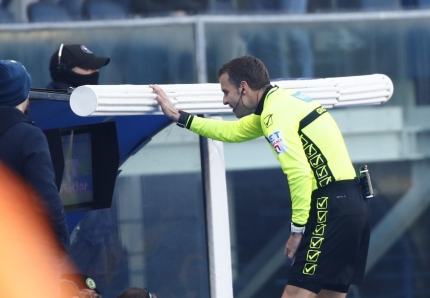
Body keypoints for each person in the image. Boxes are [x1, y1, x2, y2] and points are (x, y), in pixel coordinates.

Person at [151, 55, 370, 298]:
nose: (224, 101)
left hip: (331, 205)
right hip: (355, 203)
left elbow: (298, 172)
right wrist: (181, 117)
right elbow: (232, 132)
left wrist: (297, 230)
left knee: (295, 294)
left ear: (244, 87)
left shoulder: (273, 116)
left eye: (226, 92)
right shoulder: (283, 101)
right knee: (331, 294)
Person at [0, 59, 70, 253]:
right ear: (23, 92)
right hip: (23, 252)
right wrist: (61, 244)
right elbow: (47, 199)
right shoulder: (29, 136)